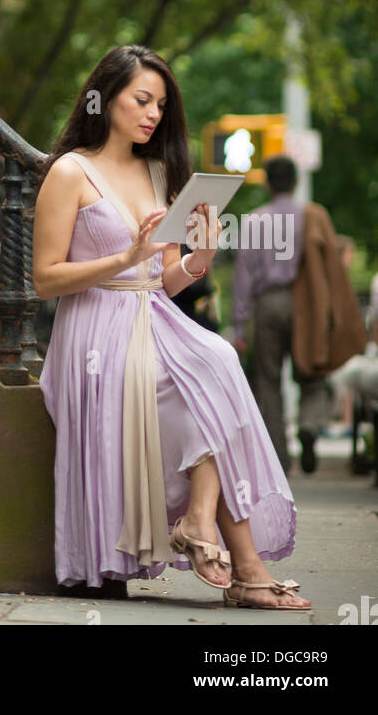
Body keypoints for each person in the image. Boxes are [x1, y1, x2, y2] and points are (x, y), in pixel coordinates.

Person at [33, 44, 311, 611]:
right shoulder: (70, 170)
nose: (153, 113)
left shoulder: (158, 171)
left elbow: (164, 279)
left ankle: (203, 522)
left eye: (160, 104)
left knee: (220, 362)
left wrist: (199, 255)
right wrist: (123, 256)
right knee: (206, 376)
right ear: (106, 97)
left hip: (150, 315)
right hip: (93, 331)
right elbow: (44, 279)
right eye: (141, 99)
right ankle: (243, 568)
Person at [232, 156, 335, 475]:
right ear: (297, 181)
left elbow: (244, 277)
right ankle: (309, 426)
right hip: (305, 303)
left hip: (267, 304)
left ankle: (278, 457)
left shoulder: (253, 220)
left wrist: (240, 327)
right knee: (312, 372)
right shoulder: (312, 216)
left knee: (267, 381)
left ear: (267, 183)